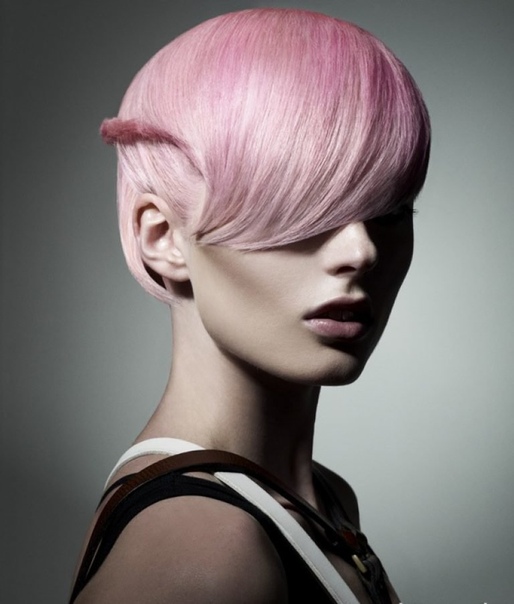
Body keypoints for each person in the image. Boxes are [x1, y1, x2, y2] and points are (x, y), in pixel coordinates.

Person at [69, 8, 430, 604]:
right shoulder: (205, 556)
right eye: (303, 208)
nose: (362, 251)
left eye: (389, 210)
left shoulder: (321, 502)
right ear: (164, 237)